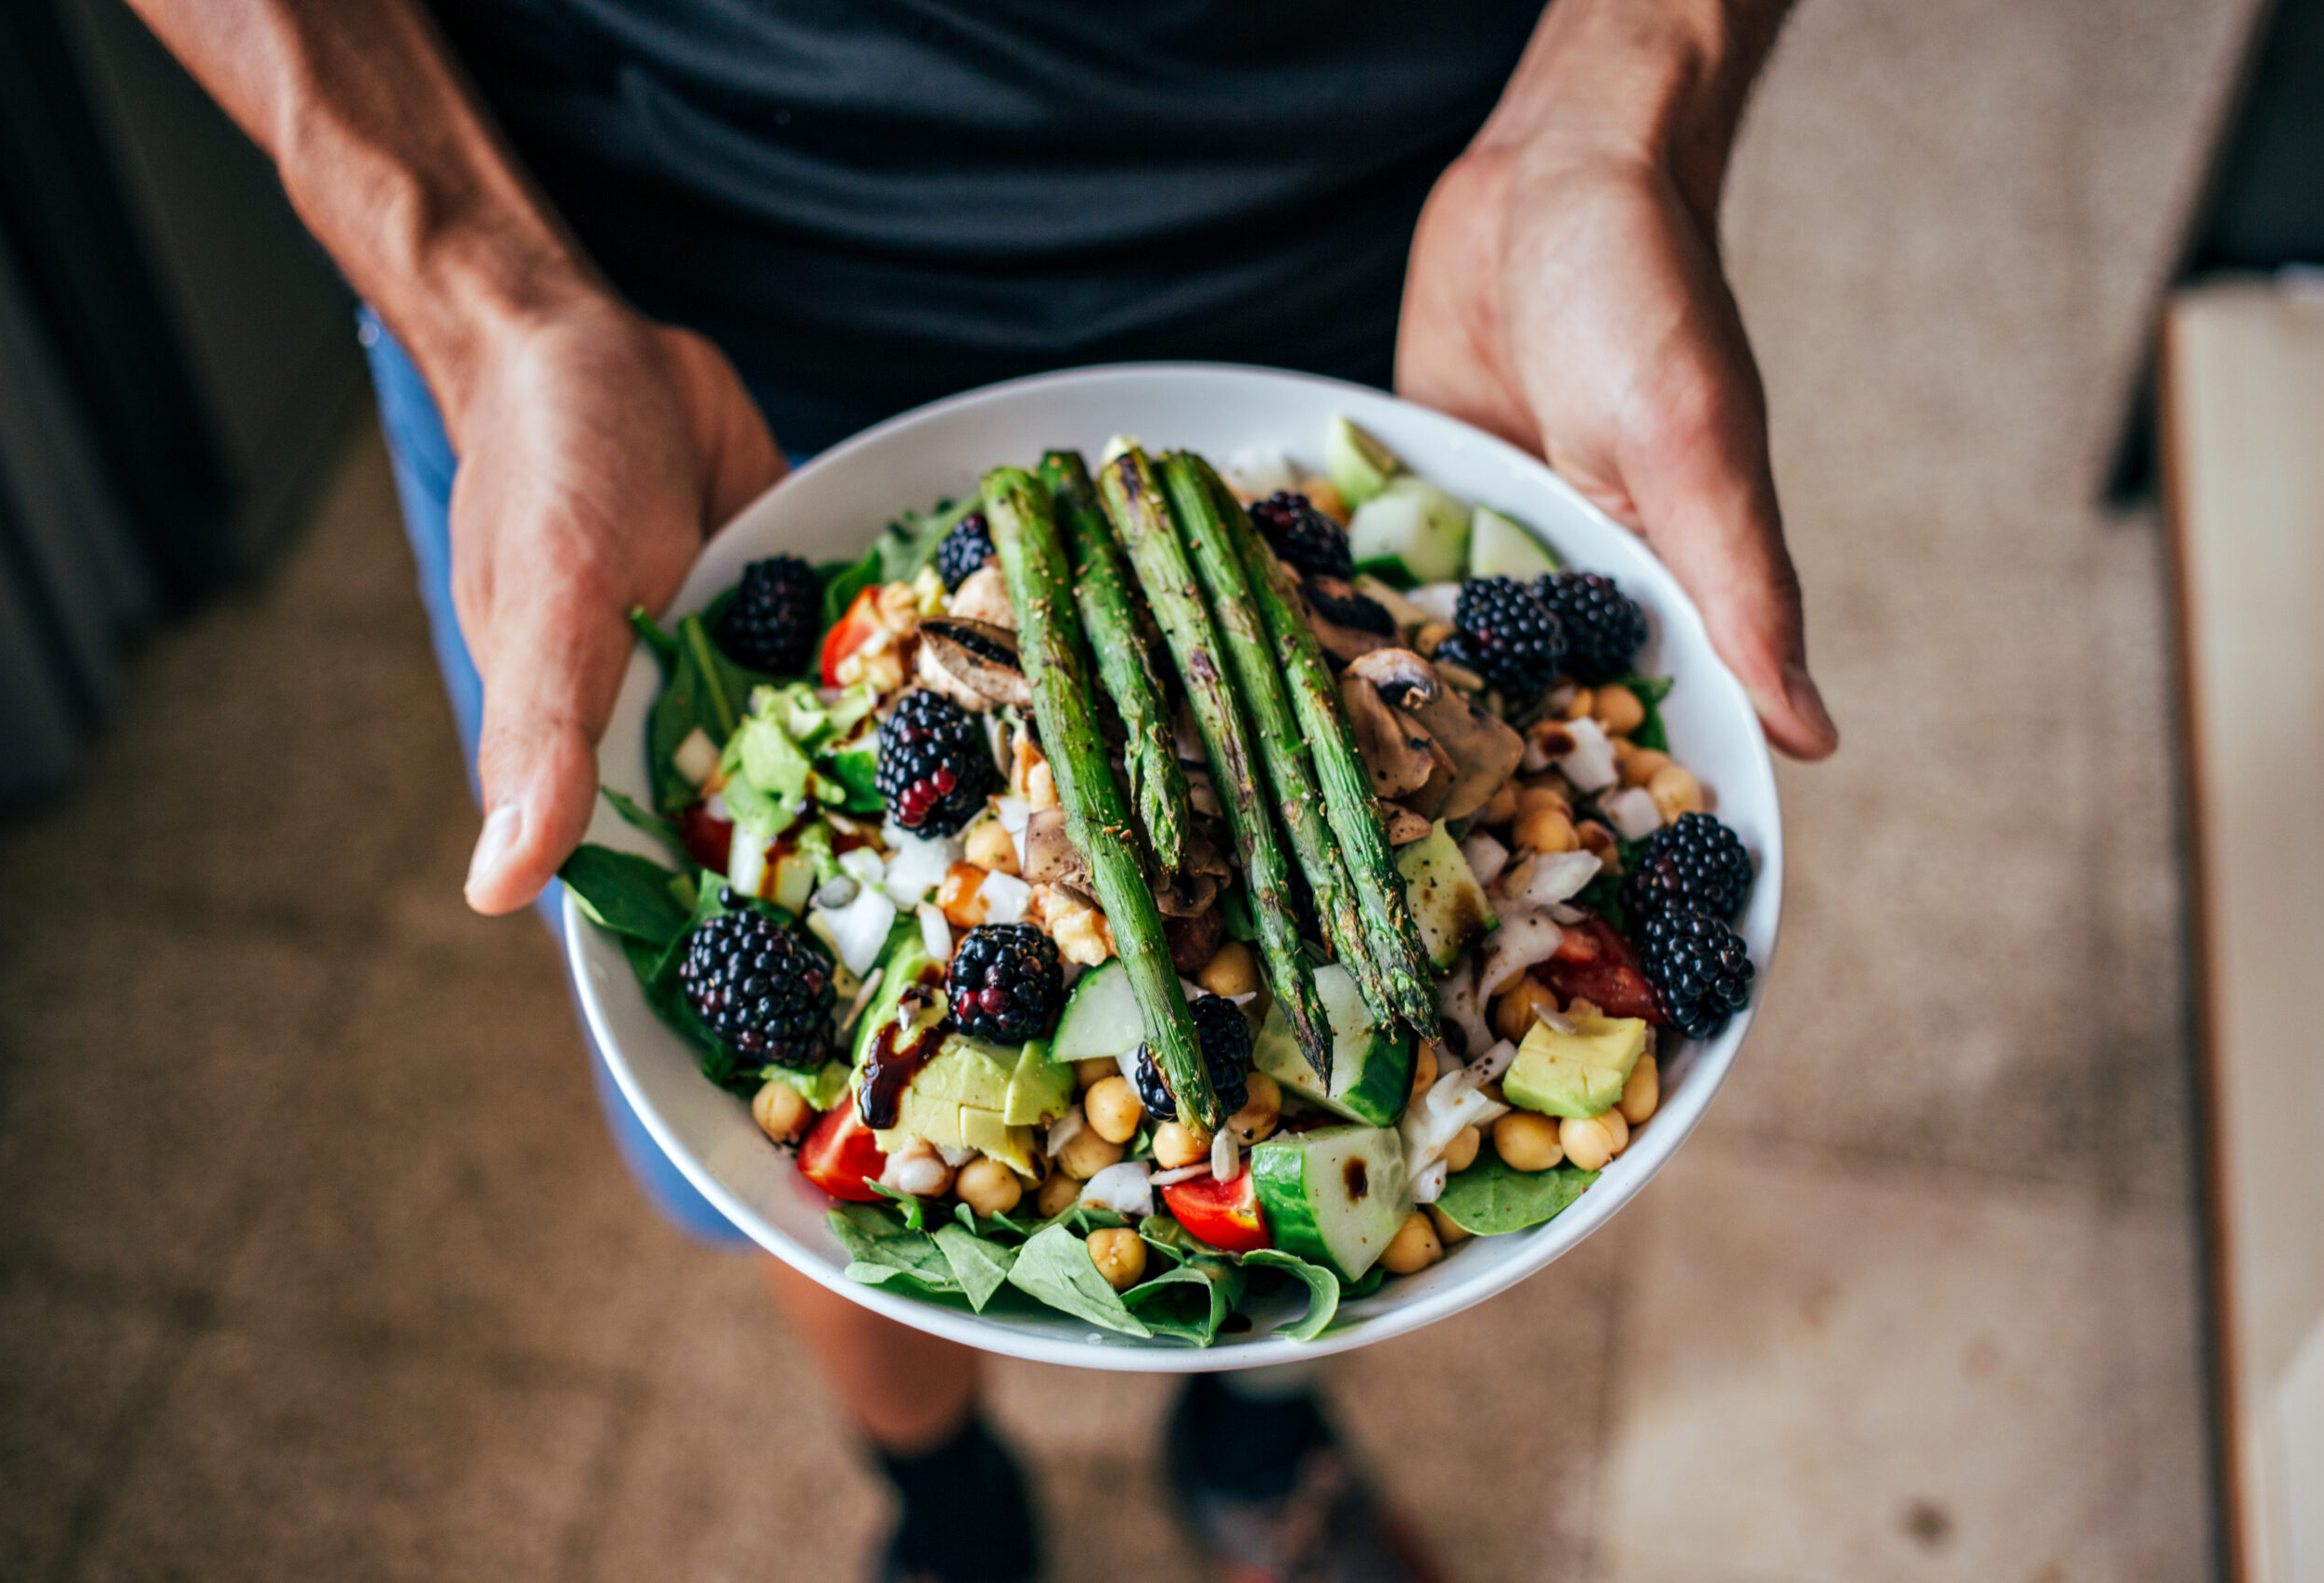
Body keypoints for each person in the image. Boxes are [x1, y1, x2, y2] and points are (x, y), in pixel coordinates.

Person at [130, 3, 1839, 1578]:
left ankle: (1258, 1438)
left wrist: (1622, 105)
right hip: (622, 307)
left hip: (1401, 276)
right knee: (788, 1187)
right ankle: (944, 1497)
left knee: (1353, 1206)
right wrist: (472, 289)